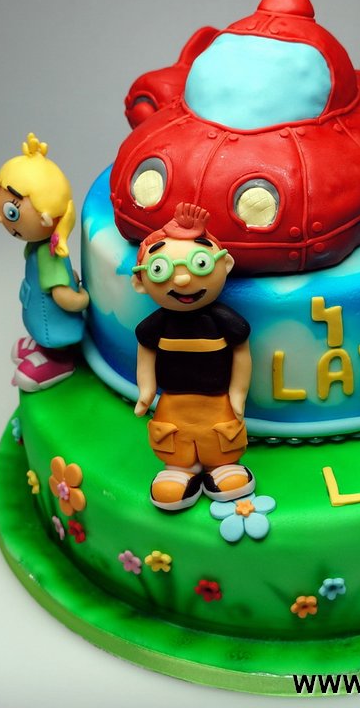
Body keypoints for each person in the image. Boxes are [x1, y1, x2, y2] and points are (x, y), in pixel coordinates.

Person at [131, 202, 253, 511]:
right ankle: (179, 470)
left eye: (200, 264)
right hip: (173, 403)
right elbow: (146, 353)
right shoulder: (157, 325)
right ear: (140, 282)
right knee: (174, 438)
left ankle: (221, 466)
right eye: (161, 270)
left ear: (225, 264)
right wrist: (146, 391)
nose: (183, 280)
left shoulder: (223, 320)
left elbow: (241, 352)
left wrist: (238, 393)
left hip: (217, 402)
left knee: (220, 437)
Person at [0, 133, 88, 391]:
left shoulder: (49, 254)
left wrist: (84, 299)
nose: (2, 218)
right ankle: (44, 348)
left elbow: (63, 296)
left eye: (11, 212)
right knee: (43, 329)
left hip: (53, 319)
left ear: (46, 218)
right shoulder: (37, 245)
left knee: (52, 334)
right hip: (38, 309)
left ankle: (60, 361)